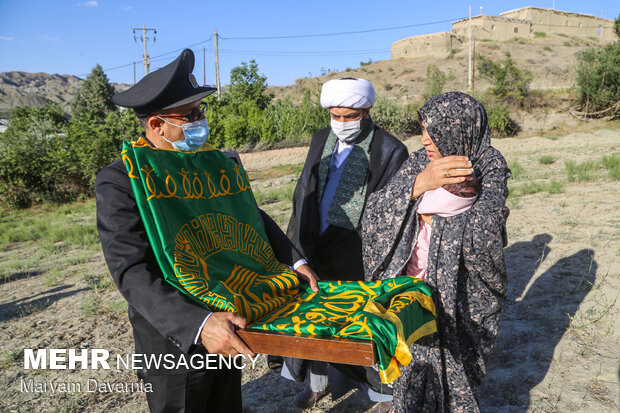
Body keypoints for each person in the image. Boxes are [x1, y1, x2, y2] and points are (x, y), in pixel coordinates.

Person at [95, 48, 317, 413]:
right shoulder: (121, 180)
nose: (201, 121)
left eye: (201, 111)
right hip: (178, 337)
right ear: (156, 125)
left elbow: (249, 214)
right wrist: (199, 324)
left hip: (231, 311)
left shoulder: (214, 163)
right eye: (190, 115)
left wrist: (293, 260)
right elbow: (131, 270)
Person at [361, 91, 510, 412]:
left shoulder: (488, 163)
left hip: (460, 298)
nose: (425, 139)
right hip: (411, 293)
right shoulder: (419, 162)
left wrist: (431, 217)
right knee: (411, 378)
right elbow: (374, 212)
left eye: (434, 131)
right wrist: (418, 185)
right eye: (424, 130)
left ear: (458, 129)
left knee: (458, 385)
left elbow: (487, 229)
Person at [284, 78, 408, 408]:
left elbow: (391, 213)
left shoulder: (388, 149)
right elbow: (303, 192)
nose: (341, 123)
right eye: (335, 115)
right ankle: (318, 384)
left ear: (366, 112)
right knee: (312, 321)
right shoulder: (321, 139)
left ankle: (381, 393)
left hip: (358, 255)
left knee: (365, 325)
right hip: (314, 244)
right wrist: (295, 245)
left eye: (349, 116)